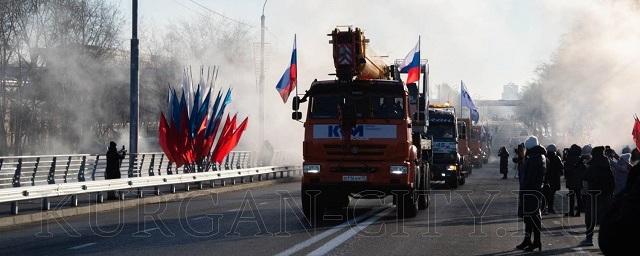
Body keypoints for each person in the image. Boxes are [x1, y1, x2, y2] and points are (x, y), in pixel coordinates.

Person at [516, 136, 546, 252]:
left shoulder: (534, 158)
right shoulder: (539, 156)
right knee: (530, 218)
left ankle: (535, 241)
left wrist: (522, 161)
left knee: (532, 218)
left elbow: (526, 176)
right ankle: (529, 240)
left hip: (530, 191)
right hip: (535, 190)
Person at [580, 146, 614, 246]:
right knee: (605, 218)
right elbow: (612, 181)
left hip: (593, 194)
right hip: (606, 195)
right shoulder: (607, 164)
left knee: (590, 217)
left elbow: (585, 178)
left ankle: (589, 238)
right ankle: (607, 240)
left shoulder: (593, 165)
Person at [564, 144, 583, 217]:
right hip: (578, 180)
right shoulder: (579, 158)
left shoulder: (569, 158)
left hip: (571, 179)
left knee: (572, 196)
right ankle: (578, 212)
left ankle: (571, 211)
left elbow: (566, 168)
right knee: (578, 196)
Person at [544, 144, 563, 214]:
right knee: (551, 195)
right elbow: (561, 167)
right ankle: (550, 208)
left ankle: (544, 208)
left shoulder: (545, 158)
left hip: (547, 179)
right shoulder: (557, 158)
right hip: (555, 179)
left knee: (546, 194)